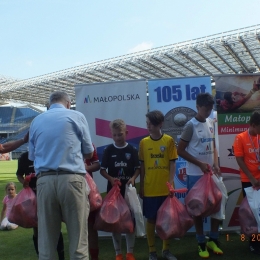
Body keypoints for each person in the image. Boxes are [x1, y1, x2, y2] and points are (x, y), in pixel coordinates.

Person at [29, 91, 94, 260]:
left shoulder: (36, 121)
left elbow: (32, 156)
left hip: (44, 181)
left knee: (46, 244)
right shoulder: (76, 116)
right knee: (78, 241)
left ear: (50, 103)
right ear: (67, 103)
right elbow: (88, 152)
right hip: (71, 179)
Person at [177, 93, 222, 258]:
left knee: (217, 205)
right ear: (197, 107)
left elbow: (214, 146)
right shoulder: (190, 125)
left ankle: (214, 239)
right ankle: (201, 242)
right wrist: (200, 164)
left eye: (210, 109)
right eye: (205, 109)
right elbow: (179, 150)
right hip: (196, 175)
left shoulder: (211, 122)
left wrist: (216, 164)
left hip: (211, 174)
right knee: (197, 209)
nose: (208, 113)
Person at [139, 110, 178, 260]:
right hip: (150, 189)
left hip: (165, 189)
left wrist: (170, 184)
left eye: (151, 123)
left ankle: (166, 250)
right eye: (147, 123)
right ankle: (152, 251)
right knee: (151, 219)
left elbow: (172, 165)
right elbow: (142, 167)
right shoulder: (143, 143)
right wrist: (141, 186)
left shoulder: (168, 141)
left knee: (166, 220)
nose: (148, 126)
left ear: (160, 124)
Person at [100, 119, 140, 260]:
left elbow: (138, 169)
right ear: (111, 134)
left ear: (126, 133)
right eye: (115, 135)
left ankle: (130, 252)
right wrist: (111, 179)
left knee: (130, 222)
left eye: (120, 134)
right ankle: (118, 253)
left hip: (128, 191)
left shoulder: (132, 150)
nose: (117, 137)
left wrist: (133, 178)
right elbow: (102, 170)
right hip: (114, 191)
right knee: (114, 222)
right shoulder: (108, 150)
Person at [16, 151, 65, 259]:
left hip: (49, 194)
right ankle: (40, 255)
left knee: (55, 225)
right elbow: (19, 174)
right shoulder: (24, 157)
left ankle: (61, 256)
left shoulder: (47, 152)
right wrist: (23, 181)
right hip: (33, 198)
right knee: (36, 227)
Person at [233, 111, 260, 255]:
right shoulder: (240, 138)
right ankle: (253, 243)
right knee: (251, 214)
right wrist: (252, 178)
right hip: (248, 181)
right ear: (253, 125)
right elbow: (239, 159)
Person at [84, 144, 101, 260]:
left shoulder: (88, 144)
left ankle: (94, 257)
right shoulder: (64, 140)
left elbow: (97, 164)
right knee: (76, 227)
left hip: (88, 190)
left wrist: (87, 168)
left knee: (91, 226)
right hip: (70, 189)